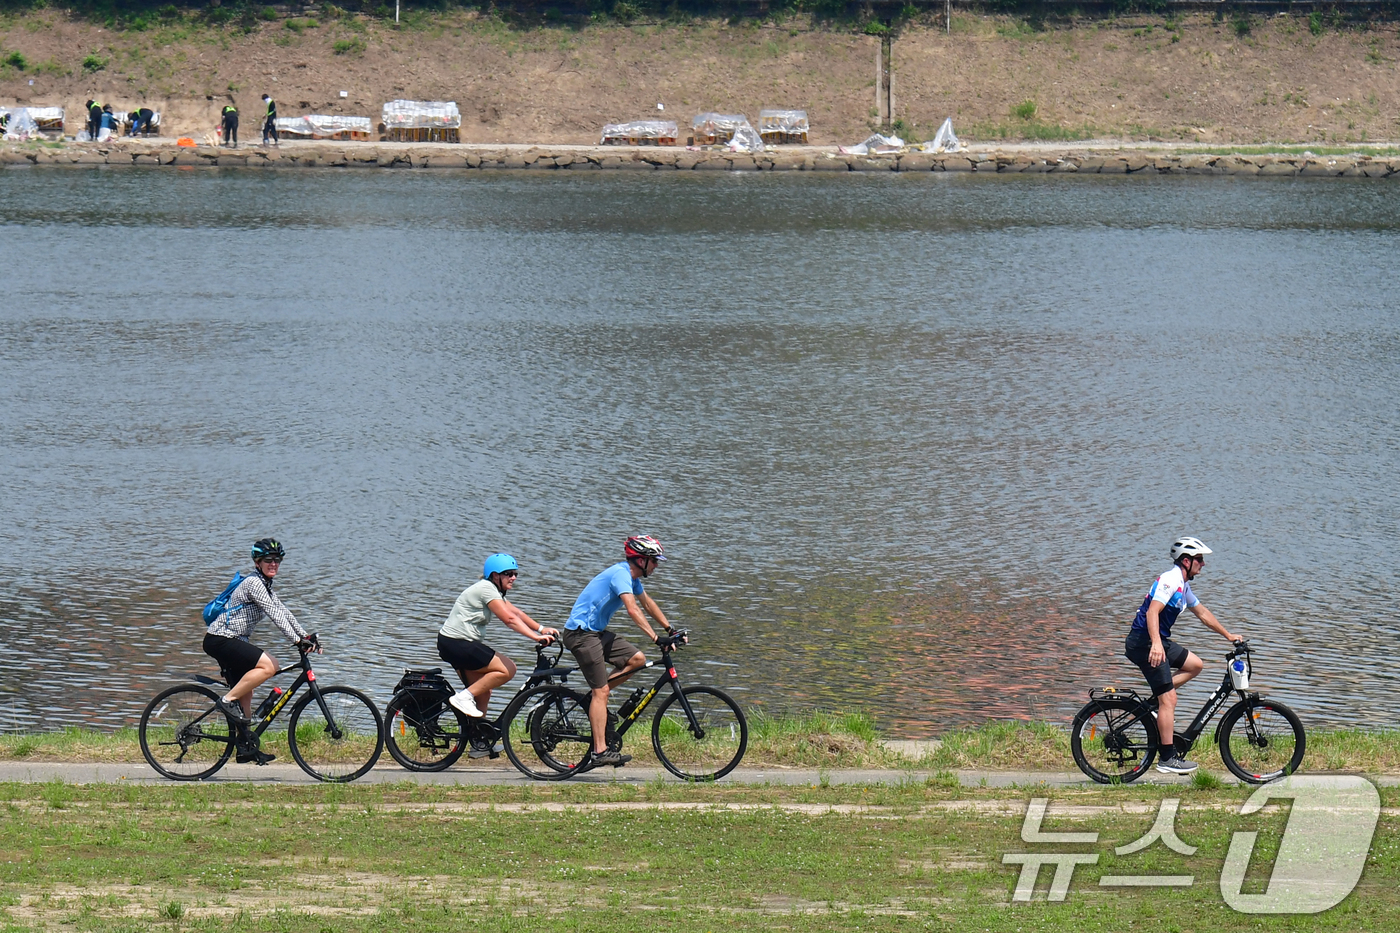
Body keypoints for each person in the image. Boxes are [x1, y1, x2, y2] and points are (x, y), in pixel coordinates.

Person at [1125, 536, 1240, 775]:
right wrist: (1156, 644)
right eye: (1199, 559)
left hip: (1157, 640)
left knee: (1195, 665)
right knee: (1170, 700)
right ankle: (1167, 758)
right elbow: (1152, 613)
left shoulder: (1183, 585)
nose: (1203, 564)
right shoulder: (1170, 580)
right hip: (1144, 642)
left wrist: (1228, 635)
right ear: (1186, 561)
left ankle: (1158, 696)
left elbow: (1203, 613)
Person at [562, 535, 678, 770]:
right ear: (641, 560)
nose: (657, 565)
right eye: (654, 561)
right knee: (601, 690)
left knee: (637, 659)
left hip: (594, 633)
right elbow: (632, 608)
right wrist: (656, 638)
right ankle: (599, 751)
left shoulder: (632, 577)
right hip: (580, 634)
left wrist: (670, 629)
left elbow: (646, 603)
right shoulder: (621, 574)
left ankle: (596, 700)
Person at [203, 538, 319, 765]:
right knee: (270, 665)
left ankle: (246, 747)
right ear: (257, 562)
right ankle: (225, 702)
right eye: (268, 560)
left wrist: (305, 636)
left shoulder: (265, 585)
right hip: (220, 639)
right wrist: (296, 641)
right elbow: (274, 616)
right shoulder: (254, 584)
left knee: (247, 692)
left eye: (277, 560)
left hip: (232, 639)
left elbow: (283, 611)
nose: (273, 564)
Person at [439, 553, 559, 726]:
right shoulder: (486, 589)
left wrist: (541, 628)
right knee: (508, 669)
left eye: (515, 574)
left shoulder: (494, 591)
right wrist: (536, 637)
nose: (514, 578)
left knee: (483, 692)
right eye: (509, 574)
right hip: (457, 642)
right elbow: (509, 620)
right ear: (496, 575)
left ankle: (478, 740)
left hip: (455, 643)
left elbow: (515, 612)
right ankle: (463, 697)